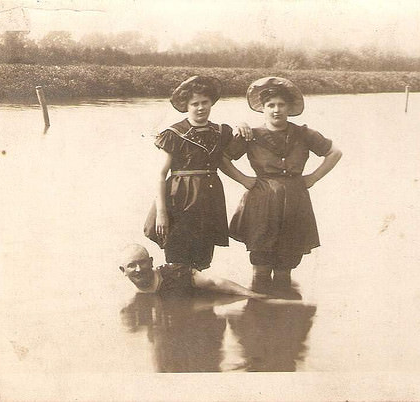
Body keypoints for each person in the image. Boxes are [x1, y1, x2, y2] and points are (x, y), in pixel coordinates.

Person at [220, 77, 342, 290]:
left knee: (286, 265)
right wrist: (243, 179)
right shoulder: (251, 135)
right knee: (261, 265)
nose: (276, 110)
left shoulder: (303, 134)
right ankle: (259, 314)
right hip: (262, 202)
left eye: (281, 105)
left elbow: (334, 152)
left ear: (289, 107)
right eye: (271, 105)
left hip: (295, 203)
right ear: (263, 109)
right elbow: (222, 157)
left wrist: (313, 177)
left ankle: (284, 317)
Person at [143, 75, 249, 273]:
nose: (201, 108)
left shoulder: (220, 131)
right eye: (195, 104)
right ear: (186, 105)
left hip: (209, 201)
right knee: (177, 260)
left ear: (211, 103)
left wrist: (242, 125)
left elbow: (229, 157)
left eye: (205, 102)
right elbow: (160, 174)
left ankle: (198, 301)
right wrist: (161, 213)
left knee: (201, 260)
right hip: (179, 200)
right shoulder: (174, 133)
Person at [118, 243, 265, 298]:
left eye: (142, 263)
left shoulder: (175, 273)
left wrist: (253, 295)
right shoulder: (128, 296)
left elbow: (214, 283)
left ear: (151, 262)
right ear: (123, 270)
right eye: (132, 265)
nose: (138, 269)